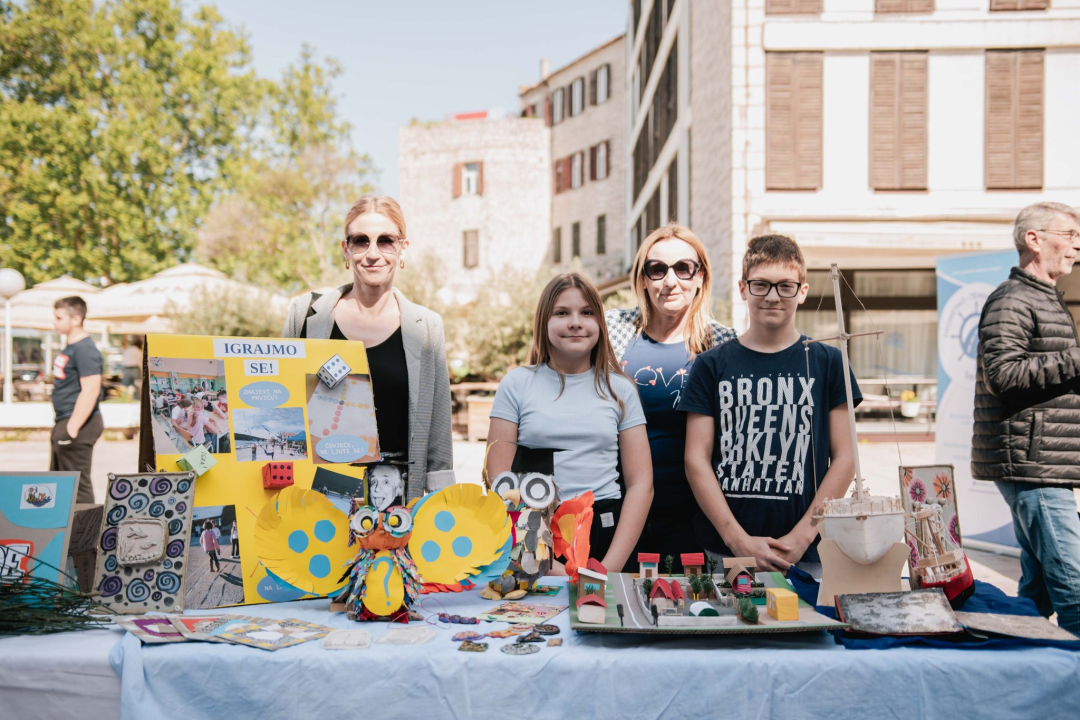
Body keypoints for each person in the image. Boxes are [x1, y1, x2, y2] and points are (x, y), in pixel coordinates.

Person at [680, 235, 859, 576]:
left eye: (785, 286)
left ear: (802, 291)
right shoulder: (710, 365)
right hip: (724, 549)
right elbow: (696, 460)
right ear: (743, 288)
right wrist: (738, 541)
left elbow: (846, 457)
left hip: (808, 551)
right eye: (761, 285)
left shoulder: (829, 362)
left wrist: (803, 536)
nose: (773, 296)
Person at [282, 195, 452, 500]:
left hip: (396, 497)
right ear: (346, 249)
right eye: (361, 241)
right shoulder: (306, 315)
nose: (373, 254)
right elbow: (282, 407)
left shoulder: (426, 327)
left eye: (386, 241)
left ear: (403, 248)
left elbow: (439, 436)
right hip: (319, 490)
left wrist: (442, 507)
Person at [486, 273, 653, 573]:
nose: (576, 322)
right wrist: (536, 556)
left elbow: (642, 484)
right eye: (562, 313)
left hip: (605, 533)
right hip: (535, 533)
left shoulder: (620, 389)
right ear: (543, 322)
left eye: (587, 313)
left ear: (600, 323)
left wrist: (607, 568)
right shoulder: (516, 384)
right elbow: (499, 478)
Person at [972, 201, 1080, 634]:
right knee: (1072, 585)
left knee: (1039, 589)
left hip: (1044, 461)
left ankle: (1013, 671)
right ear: (1034, 240)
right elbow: (1003, 375)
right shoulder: (1013, 299)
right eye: (1070, 235)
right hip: (1032, 464)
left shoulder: (1044, 299)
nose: (1077, 247)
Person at [606, 224, 736, 572]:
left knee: (689, 609)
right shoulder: (611, 331)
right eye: (657, 269)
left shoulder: (724, 344)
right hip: (621, 507)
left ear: (700, 277)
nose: (670, 280)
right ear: (643, 279)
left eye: (683, 268)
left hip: (696, 512)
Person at [50, 296, 104, 503]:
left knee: (77, 487)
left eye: (59, 317)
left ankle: (85, 535)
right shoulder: (72, 347)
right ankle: (65, 533)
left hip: (79, 423)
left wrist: (72, 427)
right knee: (60, 485)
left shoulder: (85, 349)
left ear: (76, 319)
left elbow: (91, 388)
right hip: (66, 420)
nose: (54, 322)